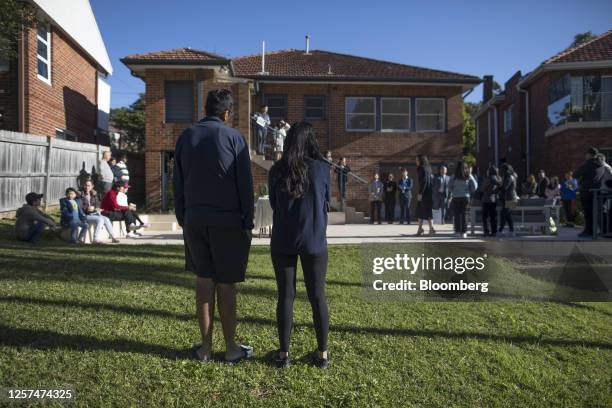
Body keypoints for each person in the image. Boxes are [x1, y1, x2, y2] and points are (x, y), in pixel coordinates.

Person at [173, 89, 254, 363]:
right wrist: (248, 219)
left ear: (205, 109)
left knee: (204, 282)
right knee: (227, 285)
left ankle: (205, 348)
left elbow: (178, 181)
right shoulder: (234, 137)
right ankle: (231, 348)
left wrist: (183, 217)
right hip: (228, 221)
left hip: (195, 219)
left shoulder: (186, 136)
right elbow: (245, 184)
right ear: (227, 113)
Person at [267, 122, 330, 369]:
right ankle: (323, 354)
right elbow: (325, 200)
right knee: (317, 297)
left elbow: (273, 204)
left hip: (283, 239)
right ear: (311, 141)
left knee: (285, 296)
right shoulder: (322, 168)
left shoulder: (276, 170)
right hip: (314, 240)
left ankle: (284, 355)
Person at [574, 147, 605, 238]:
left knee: (587, 212)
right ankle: (595, 230)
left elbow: (576, 174)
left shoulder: (587, 164)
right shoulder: (601, 164)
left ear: (589, 155)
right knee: (595, 212)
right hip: (597, 191)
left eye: (586, 154)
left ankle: (588, 231)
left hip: (586, 191)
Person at [449, 161, 477, 238]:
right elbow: (475, 187)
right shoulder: (468, 176)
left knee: (457, 215)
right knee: (465, 215)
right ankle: (464, 232)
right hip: (465, 197)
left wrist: (454, 191)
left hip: (456, 197)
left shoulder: (453, 176)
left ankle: (457, 231)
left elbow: (449, 187)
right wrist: (469, 191)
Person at [415, 154, 435, 236]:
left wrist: (420, 193)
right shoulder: (429, 168)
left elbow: (424, 182)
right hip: (429, 192)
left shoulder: (422, 169)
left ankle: (431, 229)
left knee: (425, 210)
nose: (416, 161)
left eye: (417, 160)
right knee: (422, 210)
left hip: (424, 193)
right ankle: (421, 229)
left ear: (421, 160)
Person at [480, 165, 501, 237]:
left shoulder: (488, 178)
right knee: (493, 217)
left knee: (485, 217)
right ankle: (494, 232)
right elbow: (499, 189)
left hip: (486, 199)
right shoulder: (498, 179)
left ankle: (486, 231)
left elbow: (483, 188)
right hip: (494, 199)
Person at [498, 164, 519, 237]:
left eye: (503, 170)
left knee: (504, 215)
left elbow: (504, 187)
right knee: (507, 216)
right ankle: (511, 231)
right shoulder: (511, 176)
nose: (502, 171)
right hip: (511, 198)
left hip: (510, 198)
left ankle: (500, 230)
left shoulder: (509, 177)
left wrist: (499, 185)